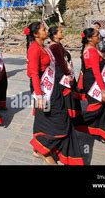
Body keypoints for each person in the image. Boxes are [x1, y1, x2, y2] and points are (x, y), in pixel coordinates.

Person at [26, 22, 84, 165]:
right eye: (43, 29)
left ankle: (43, 148)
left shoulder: (45, 47)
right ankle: (42, 149)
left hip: (53, 88)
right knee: (54, 119)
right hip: (43, 90)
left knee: (54, 117)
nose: (46, 31)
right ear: (35, 34)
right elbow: (33, 73)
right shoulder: (34, 49)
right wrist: (39, 95)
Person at [48, 26, 82, 124]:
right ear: (55, 35)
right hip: (61, 76)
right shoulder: (55, 46)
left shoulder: (57, 45)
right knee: (67, 98)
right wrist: (68, 74)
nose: (62, 33)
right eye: (60, 32)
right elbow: (61, 63)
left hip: (63, 74)